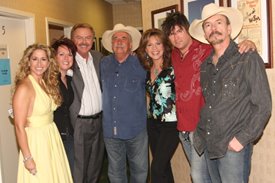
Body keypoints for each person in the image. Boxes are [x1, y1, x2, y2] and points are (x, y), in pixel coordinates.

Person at [161, 11, 256, 183]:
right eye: (171, 33)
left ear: (188, 30)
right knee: (204, 176)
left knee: (199, 176)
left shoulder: (205, 48)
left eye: (179, 30)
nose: (176, 37)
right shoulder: (173, 55)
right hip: (183, 128)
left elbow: (226, 48)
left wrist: (248, 43)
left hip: (202, 128)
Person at [189, 3, 271, 183]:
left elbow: (263, 105)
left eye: (219, 23)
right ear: (204, 33)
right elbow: (211, 103)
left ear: (229, 28)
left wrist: (242, 139)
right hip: (208, 141)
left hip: (232, 144)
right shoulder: (205, 67)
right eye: (208, 25)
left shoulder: (247, 57)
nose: (214, 28)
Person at [12, 43, 73, 183]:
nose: (39, 63)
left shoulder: (46, 82)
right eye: (34, 59)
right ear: (28, 61)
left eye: (43, 59)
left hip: (51, 137)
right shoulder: (24, 87)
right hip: (36, 142)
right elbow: (19, 126)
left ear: (49, 62)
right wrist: (28, 158)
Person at [100, 23, 148, 183]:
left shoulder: (142, 64)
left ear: (131, 44)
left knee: (139, 171)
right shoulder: (103, 64)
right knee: (115, 172)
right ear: (111, 44)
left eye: (123, 38)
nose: (119, 41)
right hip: (110, 130)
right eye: (115, 38)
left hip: (136, 130)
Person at [137, 28, 179, 183]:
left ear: (165, 45)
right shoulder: (148, 70)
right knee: (164, 168)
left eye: (158, 43)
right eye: (149, 45)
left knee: (156, 168)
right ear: (145, 49)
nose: (154, 48)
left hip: (171, 124)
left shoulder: (174, 66)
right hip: (153, 123)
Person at [70, 23, 105, 183]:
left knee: (95, 167)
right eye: (79, 37)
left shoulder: (98, 58)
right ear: (72, 39)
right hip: (79, 124)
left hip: (99, 122)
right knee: (79, 169)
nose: (84, 41)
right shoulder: (66, 60)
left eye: (88, 37)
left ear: (93, 40)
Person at [51, 37, 77, 173]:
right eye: (61, 54)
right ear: (54, 58)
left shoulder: (68, 78)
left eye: (70, 54)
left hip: (68, 134)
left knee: (69, 174)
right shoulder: (49, 81)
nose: (66, 58)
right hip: (53, 137)